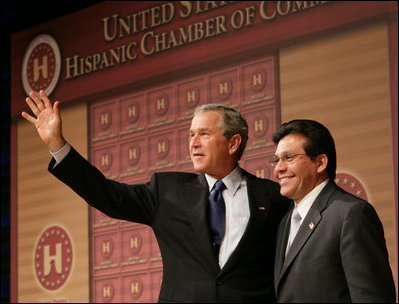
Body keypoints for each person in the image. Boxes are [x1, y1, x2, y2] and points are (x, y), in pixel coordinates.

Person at [22, 90, 291, 303]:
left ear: (233, 143)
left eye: (204, 134)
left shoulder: (272, 197)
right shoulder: (168, 190)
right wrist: (57, 145)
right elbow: (107, 195)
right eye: (191, 135)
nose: (193, 143)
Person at [271, 119, 396, 303]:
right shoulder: (285, 221)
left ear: (320, 162)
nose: (278, 168)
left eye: (289, 158)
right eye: (276, 160)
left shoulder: (351, 214)